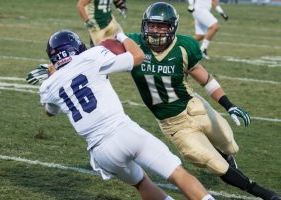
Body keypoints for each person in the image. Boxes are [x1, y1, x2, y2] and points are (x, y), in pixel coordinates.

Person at [26, 30, 216, 200]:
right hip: (124, 132)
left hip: (102, 152)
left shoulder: (47, 87)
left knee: (142, 184)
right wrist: (121, 36)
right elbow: (138, 56)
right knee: (177, 174)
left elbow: (50, 112)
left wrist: (53, 76)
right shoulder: (91, 57)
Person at [125, 2, 281, 200]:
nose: (155, 31)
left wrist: (229, 105)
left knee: (229, 145)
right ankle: (265, 194)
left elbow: (206, 80)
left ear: (172, 28)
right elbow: (106, 46)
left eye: (162, 26)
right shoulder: (134, 44)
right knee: (214, 163)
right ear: (144, 26)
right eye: (152, 25)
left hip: (196, 107)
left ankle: (226, 154)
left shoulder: (183, 47)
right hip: (174, 125)